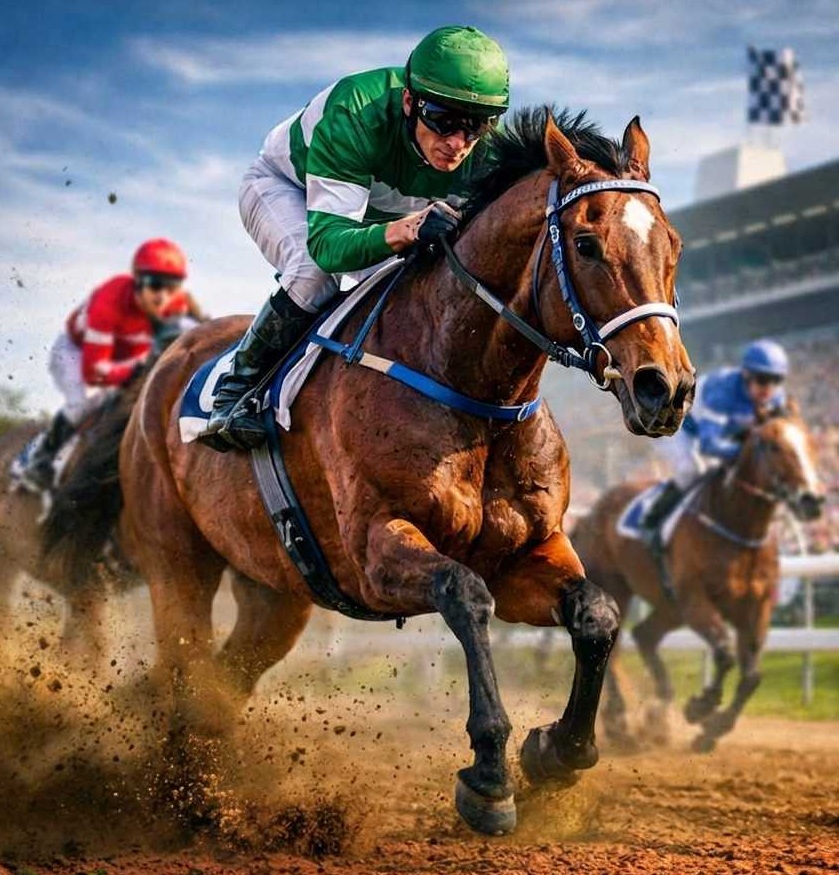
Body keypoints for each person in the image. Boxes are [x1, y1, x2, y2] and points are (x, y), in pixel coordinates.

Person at [200, 24, 510, 452]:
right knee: (313, 274)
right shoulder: (355, 112)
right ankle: (236, 392)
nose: (457, 144)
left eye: (476, 126)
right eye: (443, 121)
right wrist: (407, 229)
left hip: (387, 212)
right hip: (288, 189)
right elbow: (329, 249)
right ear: (408, 101)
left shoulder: (489, 151)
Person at [17, 238, 204, 492]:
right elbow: (94, 373)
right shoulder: (109, 303)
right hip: (78, 352)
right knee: (85, 402)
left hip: (123, 355)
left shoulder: (175, 303)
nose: (163, 296)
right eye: (155, 285)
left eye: (171, 286)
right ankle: (39, 458)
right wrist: (133, 371)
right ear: (138, 281)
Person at [638, 338, 790, 552]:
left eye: (776, 380)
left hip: (715, 434)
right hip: (677, 428)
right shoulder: (723, 392)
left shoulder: (776, 398)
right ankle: (652, 522)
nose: (769, 388)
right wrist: (746, 453)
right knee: (693, 470)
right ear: (746, 375)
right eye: (763, 379)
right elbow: (708, 446)